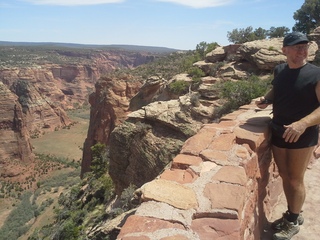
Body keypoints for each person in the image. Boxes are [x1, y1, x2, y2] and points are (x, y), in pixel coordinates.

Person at [256, 32, 320, 240]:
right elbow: (277, 89)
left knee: (295, 179)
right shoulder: (280, 70)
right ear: (285, 50)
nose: (302, 51)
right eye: (296, 47)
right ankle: (294, 213)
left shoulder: (315, 74)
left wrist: (302, 123)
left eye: (305, 47)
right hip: (278, 130)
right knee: (285, 176)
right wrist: (266, 99)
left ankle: (292, 221)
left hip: (302, 134)